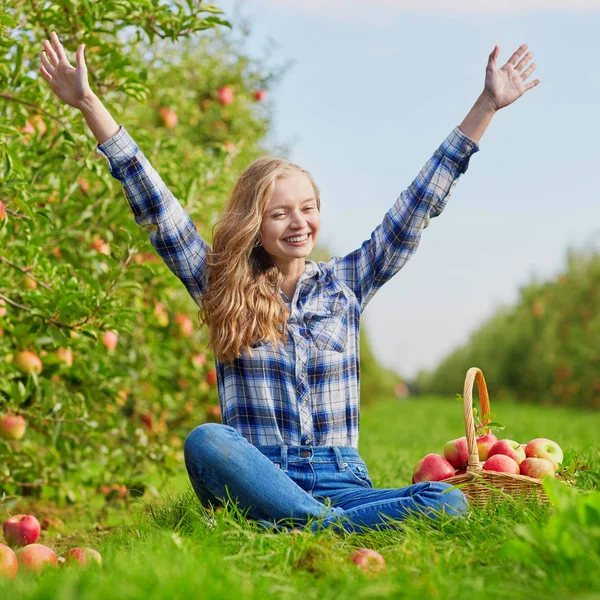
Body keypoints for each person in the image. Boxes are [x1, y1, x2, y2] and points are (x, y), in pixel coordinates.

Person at [39, 32, 539, 533]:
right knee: (206, 440)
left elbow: (418, 206)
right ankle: (329, 524)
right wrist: (87, 102)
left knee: (445, 501)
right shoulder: (221, 283)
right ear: (254, 223)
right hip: (262, 475)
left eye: (308, 208)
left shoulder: (347, 284)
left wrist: (487, 105)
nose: (298, 222)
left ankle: (310, 523)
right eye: (279, 213)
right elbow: (157, 209)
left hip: (342, 479)